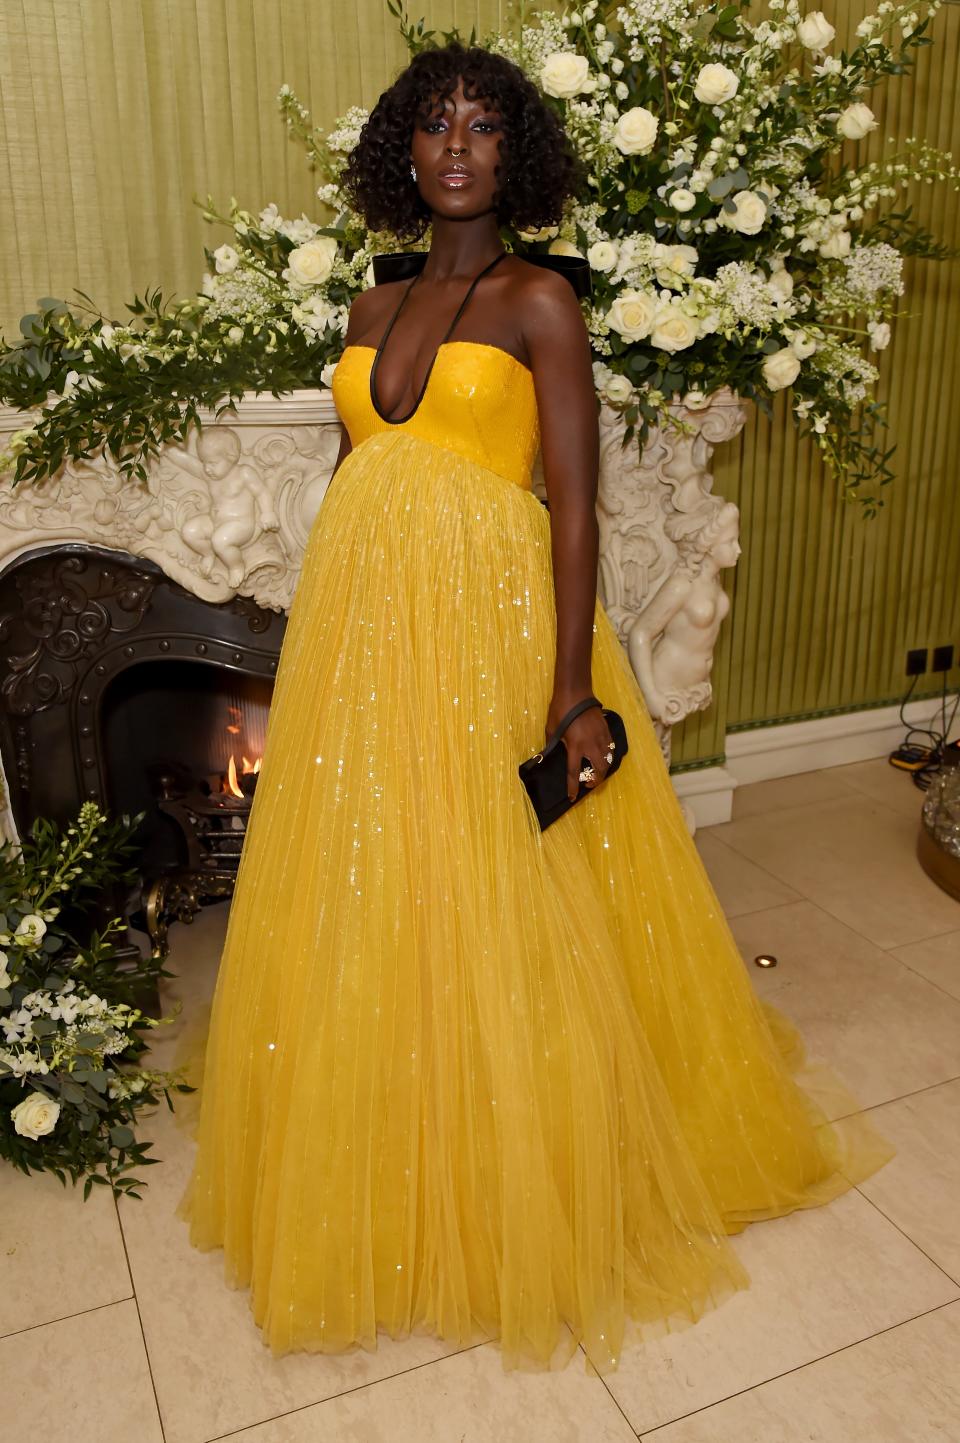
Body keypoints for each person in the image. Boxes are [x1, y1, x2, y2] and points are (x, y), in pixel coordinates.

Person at [178, 41, 890, 1375]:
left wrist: (568, 683)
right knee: (386, 886)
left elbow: (574, 505)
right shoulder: (366, 310)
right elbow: (361, 478)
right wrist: (324, 631)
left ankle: (529, 1156)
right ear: (405, 149)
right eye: (437, 126)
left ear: (518, 157)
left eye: (485, 128)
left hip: (495, 633)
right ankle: (401, 1148)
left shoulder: (540, 301)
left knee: (513, 890)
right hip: (369, 640)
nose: (458, 147)